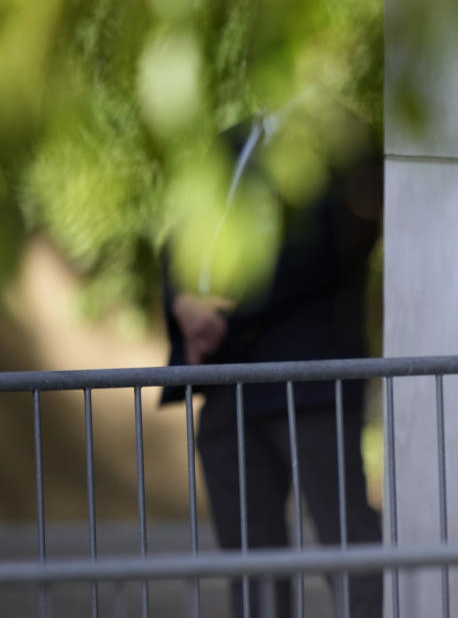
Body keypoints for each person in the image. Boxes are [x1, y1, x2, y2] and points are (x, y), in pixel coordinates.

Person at [160, 109, 383, 618]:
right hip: (224, 385)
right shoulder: (230, 141)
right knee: (250, 563)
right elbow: (179, 237)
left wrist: (220, 318)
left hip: (308, 379)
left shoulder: (341, 138)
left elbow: (327, 248)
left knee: (351, 547)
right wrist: (184, 306)